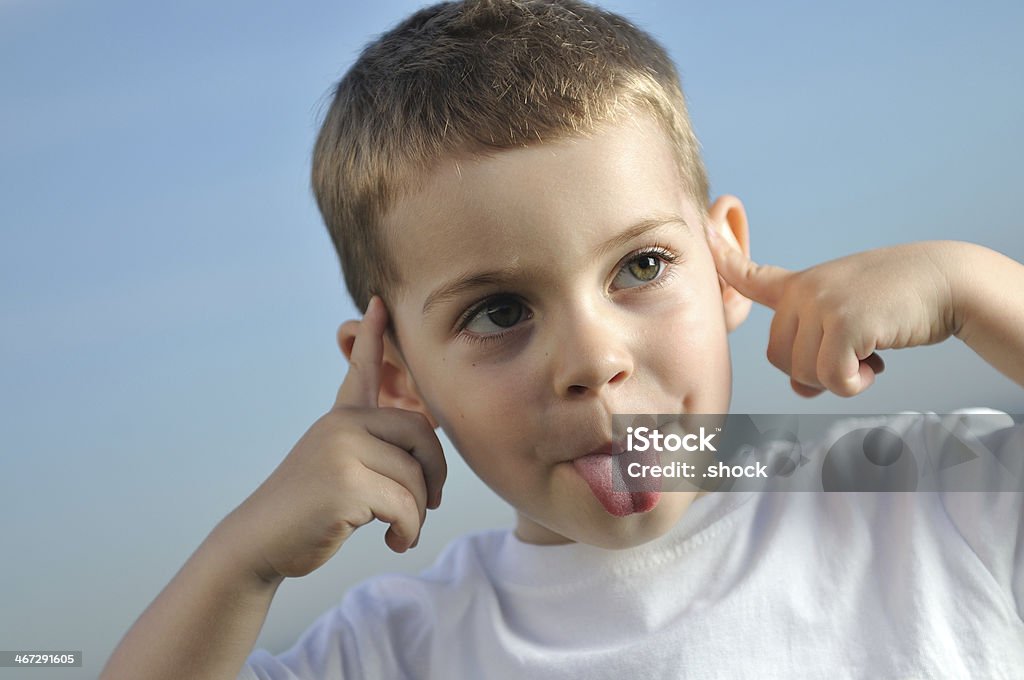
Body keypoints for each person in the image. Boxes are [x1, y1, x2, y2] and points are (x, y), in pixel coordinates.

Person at [100, 1, 1024, 678]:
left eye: (642, 268)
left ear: (725, 260)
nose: (593, 361)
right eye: (500, 312)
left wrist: (977, 287)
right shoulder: (396, 651)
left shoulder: (930, 502)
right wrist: (242, 560)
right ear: (398, 372)